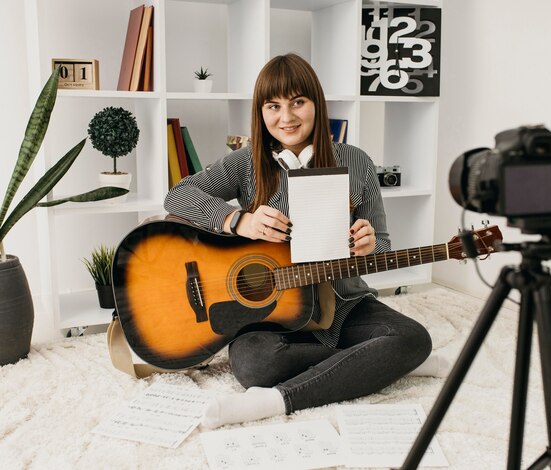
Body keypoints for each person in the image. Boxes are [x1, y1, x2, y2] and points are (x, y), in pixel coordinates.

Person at [164, 53, 446, 429]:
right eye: (273, 106)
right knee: (255, 365)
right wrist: (238, 220)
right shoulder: (246, 162)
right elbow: (178, 196)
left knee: (413, 338)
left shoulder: (357, 162)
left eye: (298, 102)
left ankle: (277, 400)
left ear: (316, 102)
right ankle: (374, 360)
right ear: (260, 112)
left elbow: (383, 243)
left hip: (344, 301)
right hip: (272, 314)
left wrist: (369, 244)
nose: (287, 117)